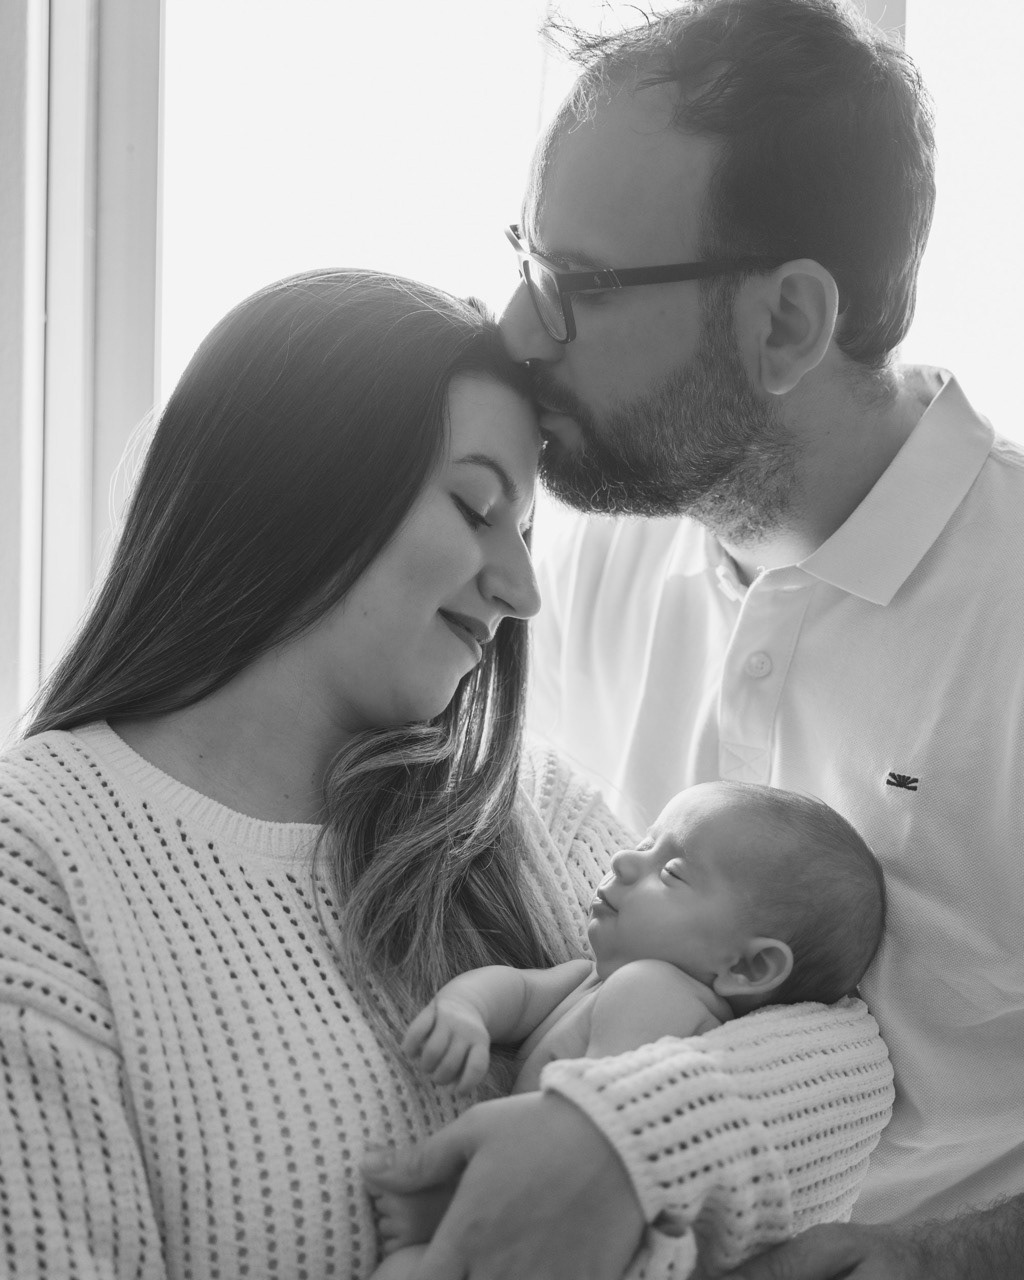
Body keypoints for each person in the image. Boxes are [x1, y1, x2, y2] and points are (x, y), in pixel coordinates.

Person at [0, 267, 892, 1279]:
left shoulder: (534, 812)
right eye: (476, 508)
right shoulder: (39, 863)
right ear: (297, 484)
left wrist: (621, 1145)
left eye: (524, 533)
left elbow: (848, 1062)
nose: (522, 591)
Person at [412, 0, 1019, 1274]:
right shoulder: (583, 556)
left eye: (580, 285)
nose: (518, 330)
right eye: (529, 259)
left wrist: (945, 1255)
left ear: (787, 323)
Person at [368, 780, 886, 1280]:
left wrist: (447, 1195)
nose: (623, 861)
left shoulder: (659, 994)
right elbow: (520, 992)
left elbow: (578, 1134)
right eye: (644, 844)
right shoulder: (594, 976)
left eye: (672, 873)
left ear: (748, 967)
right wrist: (467, 1008)